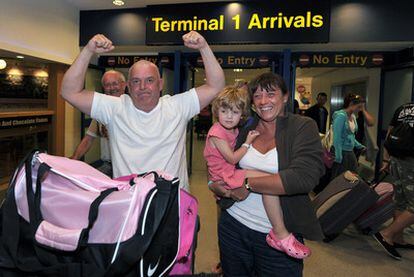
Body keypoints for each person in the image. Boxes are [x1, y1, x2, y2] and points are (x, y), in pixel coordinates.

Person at [60, 31, 225, 192]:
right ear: (129, 86)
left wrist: (203, 47)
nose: (143, 87)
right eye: (136, 81)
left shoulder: (177, 106)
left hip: (172, 203)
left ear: (160, 84)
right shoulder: (114, 108)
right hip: (130, 203)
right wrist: (88, 50)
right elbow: (69, 92)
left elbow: (215, 86)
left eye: (150, 80)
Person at [209, 73, 324, 276]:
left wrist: (247, 184)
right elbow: (221, 164)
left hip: (278, 234)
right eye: (258, 96)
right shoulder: (245, 128)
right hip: (233, 226)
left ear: (286, 96)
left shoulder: (302, 127)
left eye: (271, 94)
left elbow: (303, 178)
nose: (263, 101)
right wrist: (214, 185)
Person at [373, 102, 414, 260]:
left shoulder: (402, 108)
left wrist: (386, 159)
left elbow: (389, 135)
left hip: (396, 158)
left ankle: (397, 238)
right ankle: (387, 234)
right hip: (411, 161)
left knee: (401, 201)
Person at [70, 70, 127, 177]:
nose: (111, 88)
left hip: (128, 168)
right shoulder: (101, 111)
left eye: (115, 83)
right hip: (108, 166)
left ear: (124, 85)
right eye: (107, 85)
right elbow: (88, 140)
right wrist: (74, 159)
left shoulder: (133, 108)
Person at [330, 93, 366, 179]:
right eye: (359, 107)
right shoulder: (340, 116)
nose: (360, 109)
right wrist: (338, 156)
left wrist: (360, 146)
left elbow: (350, 136)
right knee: (339, 178)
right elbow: (337, 137)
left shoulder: (353, 116)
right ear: (351, 104)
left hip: (350, 151)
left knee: (353, 176)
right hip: (341, 151)